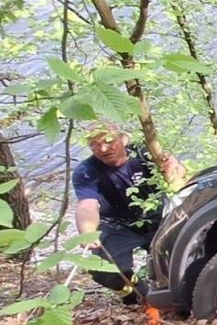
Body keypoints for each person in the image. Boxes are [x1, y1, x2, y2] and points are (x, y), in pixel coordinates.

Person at [72, 123, 186, 304]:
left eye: (108, 141)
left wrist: (173, 168)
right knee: (104, 271)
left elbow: (178, 179)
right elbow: (87, 205)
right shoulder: (86, 171)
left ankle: (179, 293)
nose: (102, 149)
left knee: (182, 257)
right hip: (118, 225)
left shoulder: (144, 153)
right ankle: (136, 297)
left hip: (158, 218)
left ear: (123, 139)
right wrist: (87, 232)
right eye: (94, 144)